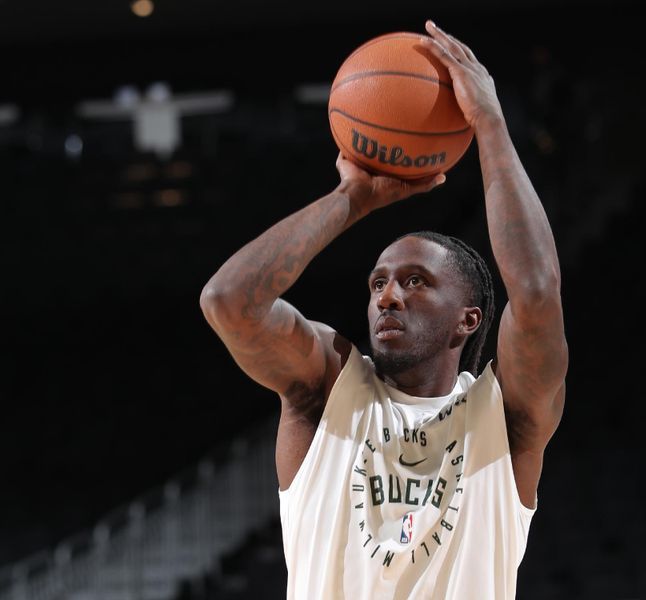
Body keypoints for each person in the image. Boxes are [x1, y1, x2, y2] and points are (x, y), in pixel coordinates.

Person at [200, 20, 567, 600]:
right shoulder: (325, 392)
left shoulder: (507, 419)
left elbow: (539, 294)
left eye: (415, 282)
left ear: (469, 319)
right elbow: (229, 302)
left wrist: (490, 125)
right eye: (377, 284)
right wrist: (350, 200)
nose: (387, 296)